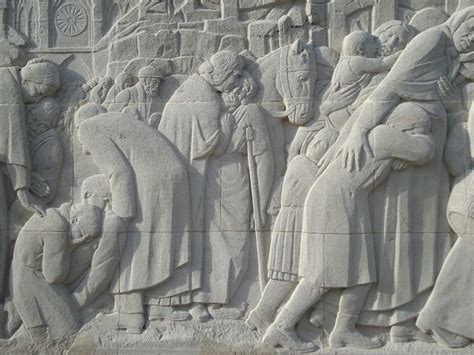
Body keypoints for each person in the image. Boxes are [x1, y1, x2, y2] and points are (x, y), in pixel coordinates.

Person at [319, 7, 474, 340]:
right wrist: (359, 131)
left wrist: (452, 109)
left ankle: (408, 321)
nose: (472, 37)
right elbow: (386, 90)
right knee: (400, 239)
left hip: (428, 158)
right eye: (471, 28)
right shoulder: (431, 42)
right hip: (407, 154)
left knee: (425, 240)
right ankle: (388, 319)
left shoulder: (458, 56)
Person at [263, 102, 435, 352]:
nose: (420, 134)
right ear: (406, 125)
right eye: (419, 129)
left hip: (352, 199)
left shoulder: (385, 139)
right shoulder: (382, 134)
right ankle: (281, 328)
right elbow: (424, 151)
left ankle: (343, 330)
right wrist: (419, 141)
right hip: (335, 198)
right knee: (321, 275)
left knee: (363, 273)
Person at [78, 108, 191, 334]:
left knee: (130, 243)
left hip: (152, 180)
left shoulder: (87, 127)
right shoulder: (118, 120)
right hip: (173, 177)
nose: (84, 150)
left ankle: (131, 315)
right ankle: (157, 304)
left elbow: (118, 171)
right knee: (156, 244)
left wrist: (121, 214)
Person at [158, 50, 244, 321]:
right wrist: (228, 126)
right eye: (232, 78)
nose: (233, 84)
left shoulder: (190, 88)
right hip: (191, 177)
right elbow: (209, 145)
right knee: (189, 236)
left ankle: (186, 300)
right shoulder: (206, 99)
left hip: (179, 175)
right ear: (224, 75)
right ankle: (178, 301)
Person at [190, 72, 274, 318]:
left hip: (235, 178)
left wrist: (262, 204)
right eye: (226, 91)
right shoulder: (216, 114)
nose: (228, 95)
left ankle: (223, 297)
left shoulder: (251, 113)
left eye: (234, 91)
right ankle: (210, 298)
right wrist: (222, 134)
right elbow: (200, 149)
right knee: (212, 239)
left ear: (242, 93)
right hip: (213, 178)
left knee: (236, 239)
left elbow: (263, 157)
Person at [246, 127, 337, 335]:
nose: (318, 148)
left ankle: (260, 315)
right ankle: (261, 315)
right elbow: (321, 186)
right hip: (293, 223)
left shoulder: (308, 165)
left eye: (324, 145)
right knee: (286, 274)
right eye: (317, 143)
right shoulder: (301, 163)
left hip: (299, 222)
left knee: (287, 275)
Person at [0, 58, 60, 310]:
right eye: (38, 92)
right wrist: (23, 187)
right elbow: (12, 142)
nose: (36, 100)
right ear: (27, 79)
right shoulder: (9, 87)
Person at [10, 202, 102, 339]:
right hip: (31, 283)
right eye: (81, 233)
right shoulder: (58, 227)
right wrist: (68, 248)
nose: (81, 238)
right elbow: (54, 275)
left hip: (22, 277)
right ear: (74, 220)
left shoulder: (52, 213)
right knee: (71, 327)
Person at [320, 30, 399, 133]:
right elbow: (383, 63)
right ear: (361, 49)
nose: (376, 47)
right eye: (373, 44)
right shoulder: (356, 61)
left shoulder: (342, 63)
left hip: (335, 115)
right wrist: (401, 53)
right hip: (346, 114)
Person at [8, 97, 64, 240]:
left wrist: (25, 178)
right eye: (33, 119)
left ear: (50, 125)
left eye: (40, 124)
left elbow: (45, 189)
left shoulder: (50, 145)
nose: (33, 126)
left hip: (31, 202)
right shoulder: (25, 134)